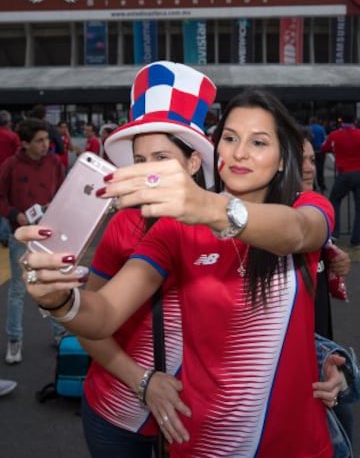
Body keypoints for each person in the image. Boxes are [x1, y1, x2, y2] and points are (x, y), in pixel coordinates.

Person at [17, 87, 337, 457]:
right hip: (205, 443)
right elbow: (103, 315)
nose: (239, 152)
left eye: (259, 142)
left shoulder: (307, 206)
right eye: (230, 138)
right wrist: (59, 301)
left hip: (296, 444)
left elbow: (298, 230)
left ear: (283, 160)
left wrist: (211, 206)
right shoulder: (175, 230)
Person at [79, 62, 215, 457]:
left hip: (199, 422)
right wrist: (143, 381)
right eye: (140, 161)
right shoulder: (124, 225)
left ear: (193, 163)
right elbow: (88, 323)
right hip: (115, 413)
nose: (148, 172)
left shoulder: (229, 228)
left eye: (161, 157)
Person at [302, 130, 355, 443]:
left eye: (312, 159)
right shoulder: (267, 226)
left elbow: (323, 242)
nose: (310, 168)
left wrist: (337, 256)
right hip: (294, 363)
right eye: (302, 161)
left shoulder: (316, 213)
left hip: (324, 355)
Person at [0, 118, 66, 364]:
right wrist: (14, 214)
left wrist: (56, 208)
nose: (46, 145)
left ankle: (59, 333)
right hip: (21, 234)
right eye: (40, 141)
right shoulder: (10, 165)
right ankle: (14, 339)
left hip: (48, 235)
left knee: (52, 285)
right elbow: (1, 197)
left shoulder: (54, 163)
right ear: (25, 144)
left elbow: (62, 191)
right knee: (18, 289)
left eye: (47, 139)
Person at [321, 107, 360, 247]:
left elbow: (324, 148)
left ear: (341, 120)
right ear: (355, 120)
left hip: (344, 173)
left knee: (334, 201)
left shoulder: (335, 135)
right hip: (359, 172)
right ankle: (356, 238)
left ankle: (335, 233)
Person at [0, 110, 21, 247]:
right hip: (8, 174)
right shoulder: (12, 137)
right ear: (8, 123)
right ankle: (4, 234)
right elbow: (19, 155)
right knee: (6, 203)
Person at [308, 115, 327, 192]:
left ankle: (313, 185)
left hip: (312, 151)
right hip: (320, 151)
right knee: (320, 169)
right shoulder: (321, 128)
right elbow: (324, 139)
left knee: (311, 168)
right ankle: (321, 184)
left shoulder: (308, 128)